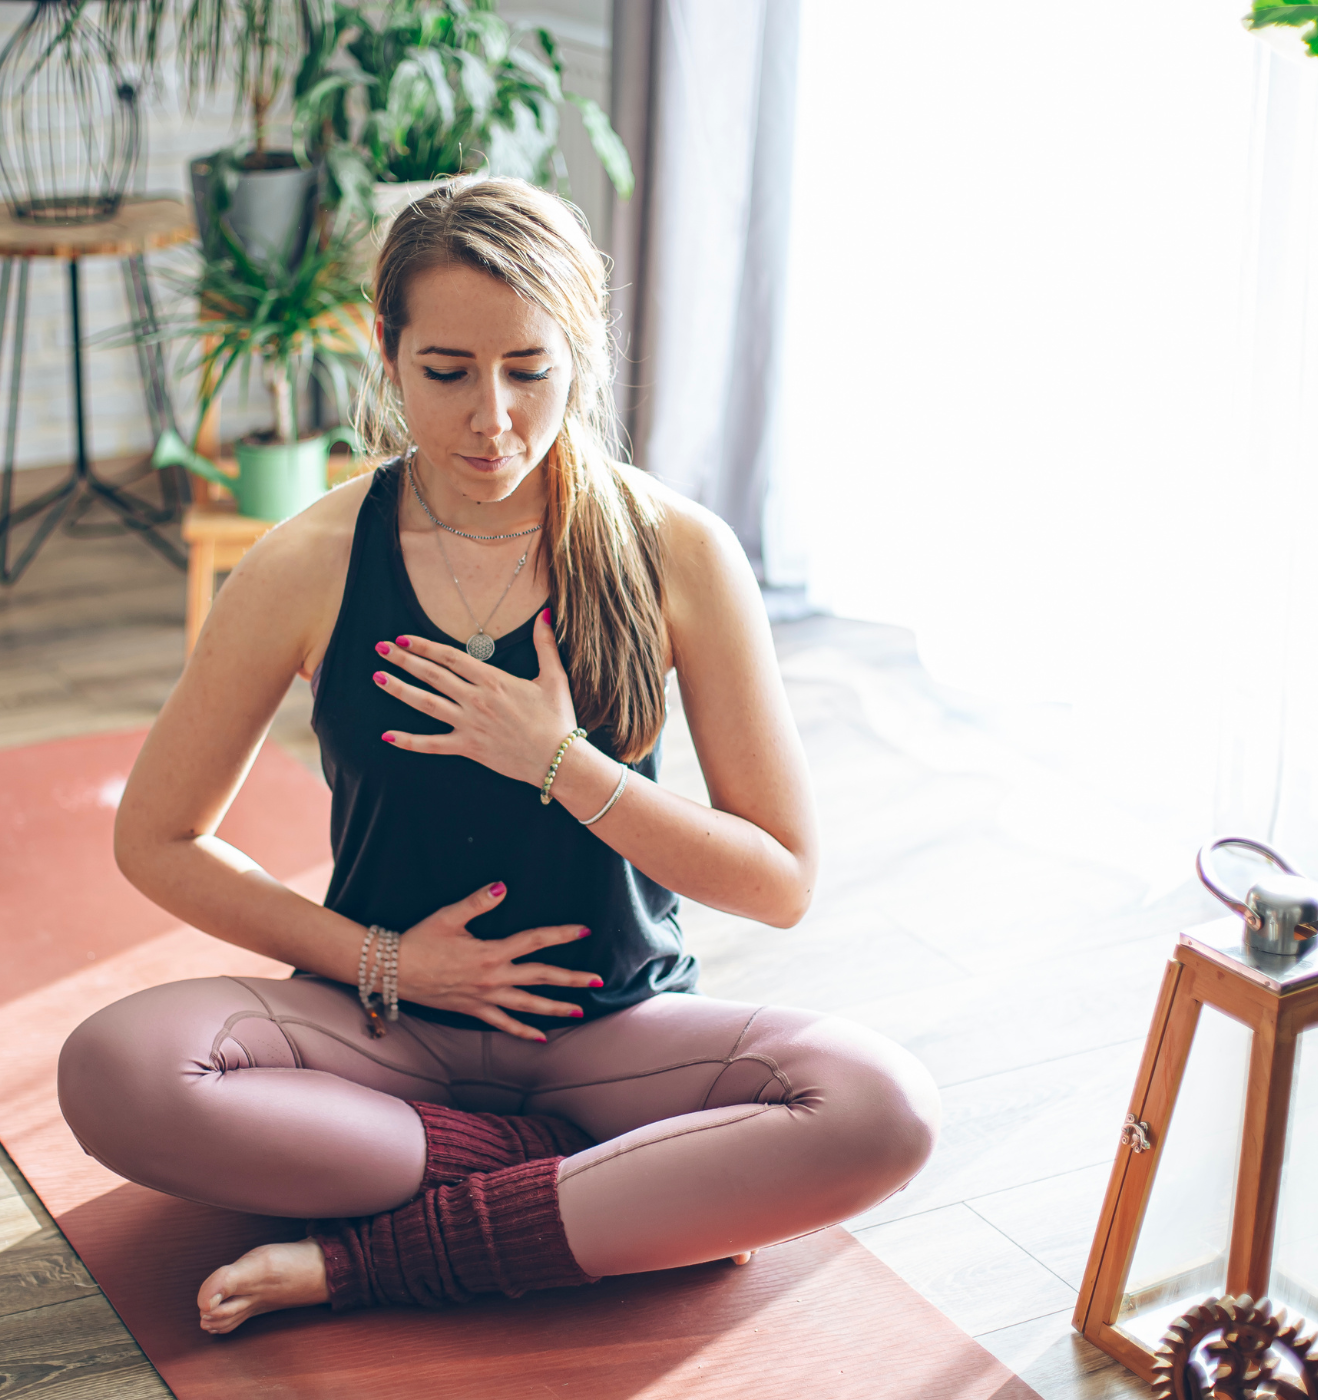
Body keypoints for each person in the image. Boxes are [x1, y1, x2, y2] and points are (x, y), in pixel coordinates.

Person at [57, 177, 940, 1336]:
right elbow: (156, 836)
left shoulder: (680, 551)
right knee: (114, 1066)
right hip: (381, 1030)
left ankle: (377, 1256)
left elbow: (777, 878)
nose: (492, 419)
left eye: (529, 369)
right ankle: (586, 1183)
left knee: (885, 1106)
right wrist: (385, 960)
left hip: (613, 1030)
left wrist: (559, 759)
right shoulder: (309, 560)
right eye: (447, 372)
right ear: (386, 348)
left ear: (580, 354)